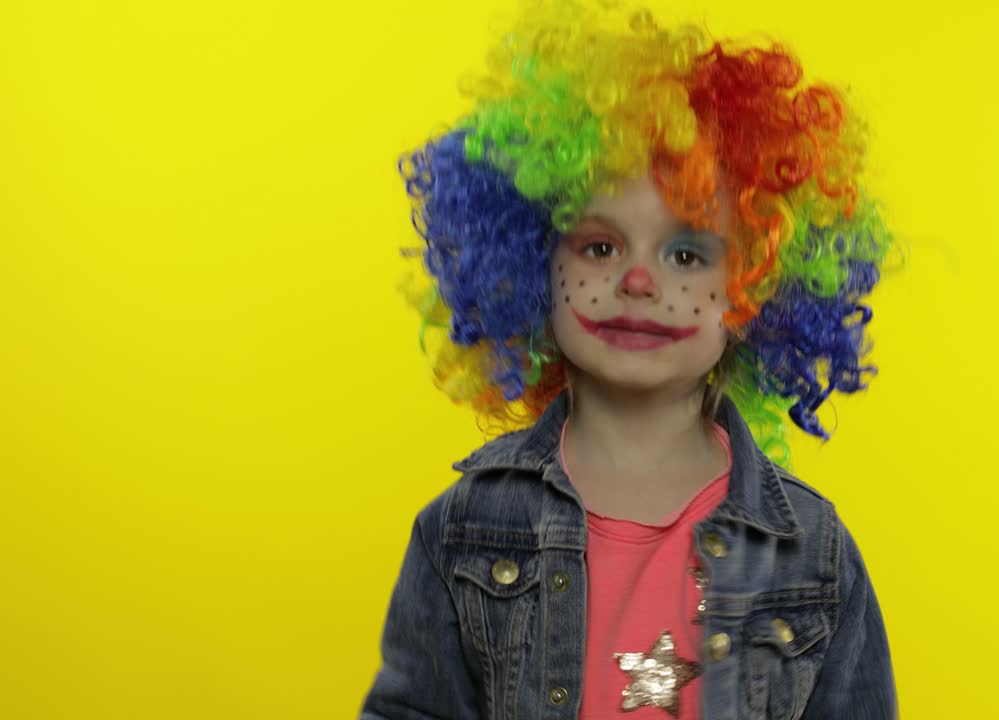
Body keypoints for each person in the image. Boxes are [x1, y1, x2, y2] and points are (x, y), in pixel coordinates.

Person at [362, 1, 901, 717]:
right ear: (528, 265)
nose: (639, 281)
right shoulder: (462, 530)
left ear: (755, 288)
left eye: (686, 253)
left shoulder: (813, 552)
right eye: (599, 247)